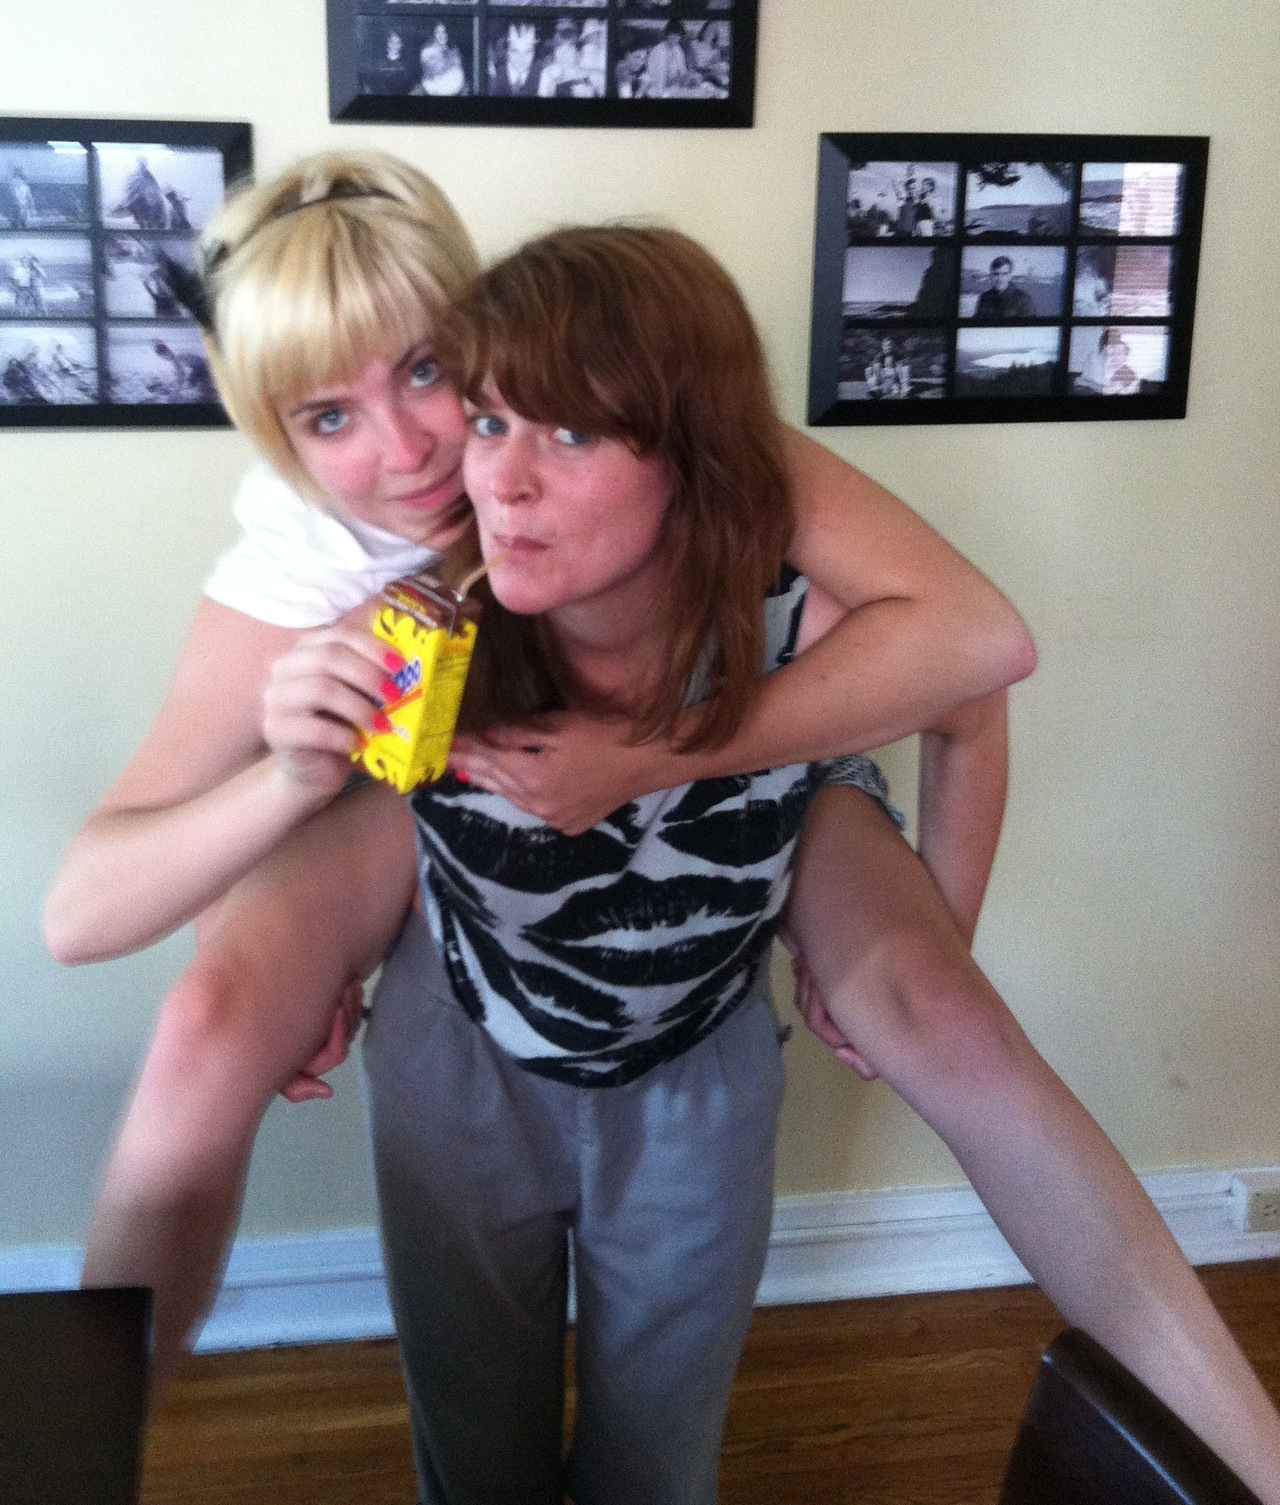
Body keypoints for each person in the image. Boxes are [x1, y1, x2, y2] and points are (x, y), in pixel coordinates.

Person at [113, 223, 1280, 1505]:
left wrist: (927, 927)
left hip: (694, 1063)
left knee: (655, 1465)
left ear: (691, 459)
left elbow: (973, 690)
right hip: (461, 1056)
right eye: (490, 421)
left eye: (570, 433)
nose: (498, 479)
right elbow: (240, 819)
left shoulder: (799, 617)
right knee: (474, 1453)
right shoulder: (415, 618)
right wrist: (272, 951)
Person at [45, 150, 1031, 1400]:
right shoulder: (304, 551)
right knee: (205, 1026)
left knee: (927, 1008)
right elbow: (83, 911)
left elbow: (968, 652)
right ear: (281, 443)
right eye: (328, 417)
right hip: (407, 810)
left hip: (680, 872)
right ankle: (88, 1426)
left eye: (425, 370)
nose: (409, 450)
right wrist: (265, 860)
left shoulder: (639, 436)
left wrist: (682, 758)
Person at [411, 22, 467, 96]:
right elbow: (435, 71)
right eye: (438, 32)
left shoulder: (454, 50)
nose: (441, 35)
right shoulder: (427, 51)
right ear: (433, 34)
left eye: (444, 31)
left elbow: (460, 72)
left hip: (456, 92)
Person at [974, 254, 1034, 319]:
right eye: (996, 274)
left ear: (1010, 276)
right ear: (990, 276)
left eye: (1004, 274)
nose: (1000, 279)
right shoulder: (985, 298)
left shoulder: (1023, 299)